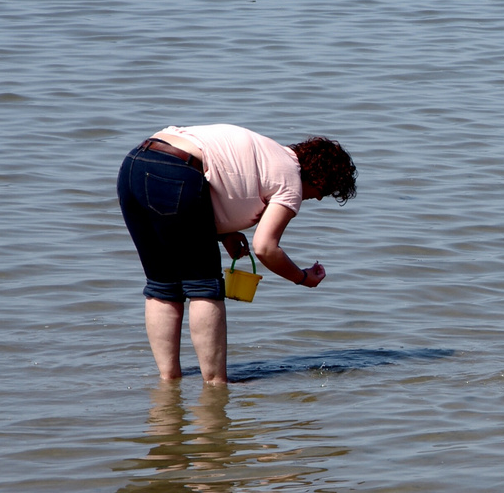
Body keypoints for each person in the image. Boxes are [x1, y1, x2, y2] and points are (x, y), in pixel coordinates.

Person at [117, 124, 357, 384]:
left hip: (135, 164)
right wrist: (302, 277)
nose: (318, 199)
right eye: (324, 193)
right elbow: (265, 248)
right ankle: (215, 384)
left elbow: (213, 182)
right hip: (177, 173)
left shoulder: (269, 153)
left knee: (162, 284)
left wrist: (222, 234)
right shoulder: (291, 180)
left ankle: (169, 380)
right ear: (320, 179)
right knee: (204, 286)